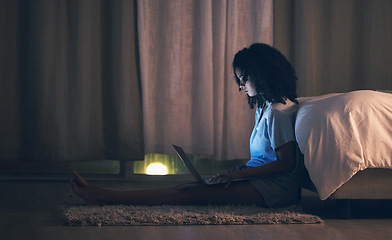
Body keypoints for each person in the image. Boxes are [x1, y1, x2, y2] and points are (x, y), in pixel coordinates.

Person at [71, 43, 312, 208]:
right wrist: (238, 170)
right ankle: (103, 195)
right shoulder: (264, 108)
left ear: (262, 74)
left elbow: (287, 163)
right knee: (188, 187)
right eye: (238, 80)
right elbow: (267, 158)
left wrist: (244, 173)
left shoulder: (279, 112)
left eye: (243, 79)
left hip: (277, 191)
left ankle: (103, 197)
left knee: (187, 193)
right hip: (260, 181)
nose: (240, 86)